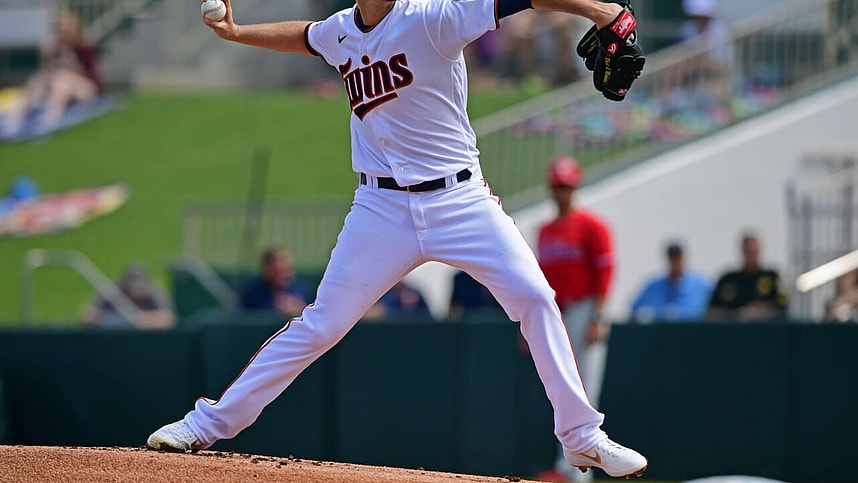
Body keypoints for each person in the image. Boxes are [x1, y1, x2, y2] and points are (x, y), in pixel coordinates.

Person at [147, 0, 647, 478]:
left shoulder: (436, 17)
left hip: (459, 199)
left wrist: (602, 10)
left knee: (536, 297)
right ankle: (206, 424)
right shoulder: (340, 30)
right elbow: (304, 36)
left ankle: (582, 436)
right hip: (380, 208)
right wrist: (236, 33)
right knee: (321, 324)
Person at [536, 156, 612, 482]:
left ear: (575, 187)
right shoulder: (545, 231)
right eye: (557, 186)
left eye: (565, 186)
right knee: (562, 389)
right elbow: (538, 280)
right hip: (558, 313)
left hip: (584, 311)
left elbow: (605, 272)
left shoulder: (592, 226)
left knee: (585, 390)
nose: (561, 192)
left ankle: (579, 472)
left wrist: (598, 316)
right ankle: (567, 466)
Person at [2, 9, 102, 138]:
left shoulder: (85, 47)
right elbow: (49, 71)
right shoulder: (59, 47)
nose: (62, 35)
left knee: (63, 78)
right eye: (60, 31)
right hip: (65, 87)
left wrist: (71, 62)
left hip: (86, 89)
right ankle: (17, 118)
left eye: (65, 31)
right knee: (39, 79)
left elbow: (91, 75)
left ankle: (51, 118)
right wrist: (49, 58)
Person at [707, 232, 788, 321]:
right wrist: (739, 313)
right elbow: (712, 311)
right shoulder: (728, 280)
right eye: (748, 252)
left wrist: (762, 310)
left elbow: (783, 307)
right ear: (742, 252)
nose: (751, 257)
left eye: (754, 252)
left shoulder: (772, 278)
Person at [630, 241, 712, 323]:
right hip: (661, 333)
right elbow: (635, 310)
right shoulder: (654, 287)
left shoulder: (700, 286)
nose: (675, 262)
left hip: (692, 333)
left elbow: (715, 311)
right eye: (672, 258)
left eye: (678, 257)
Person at [82, 263, 175, 330]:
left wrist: (142, 319)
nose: (135, 292)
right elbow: (89, 314)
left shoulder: (152, 293)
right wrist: (113, 321)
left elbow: (167, 319)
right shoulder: (114, 292)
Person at [239, 246, 310, 318]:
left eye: (285, 270)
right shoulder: (253, 293)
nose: (281, 275)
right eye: (276, 271)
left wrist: (298, 308)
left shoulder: (300, 290)